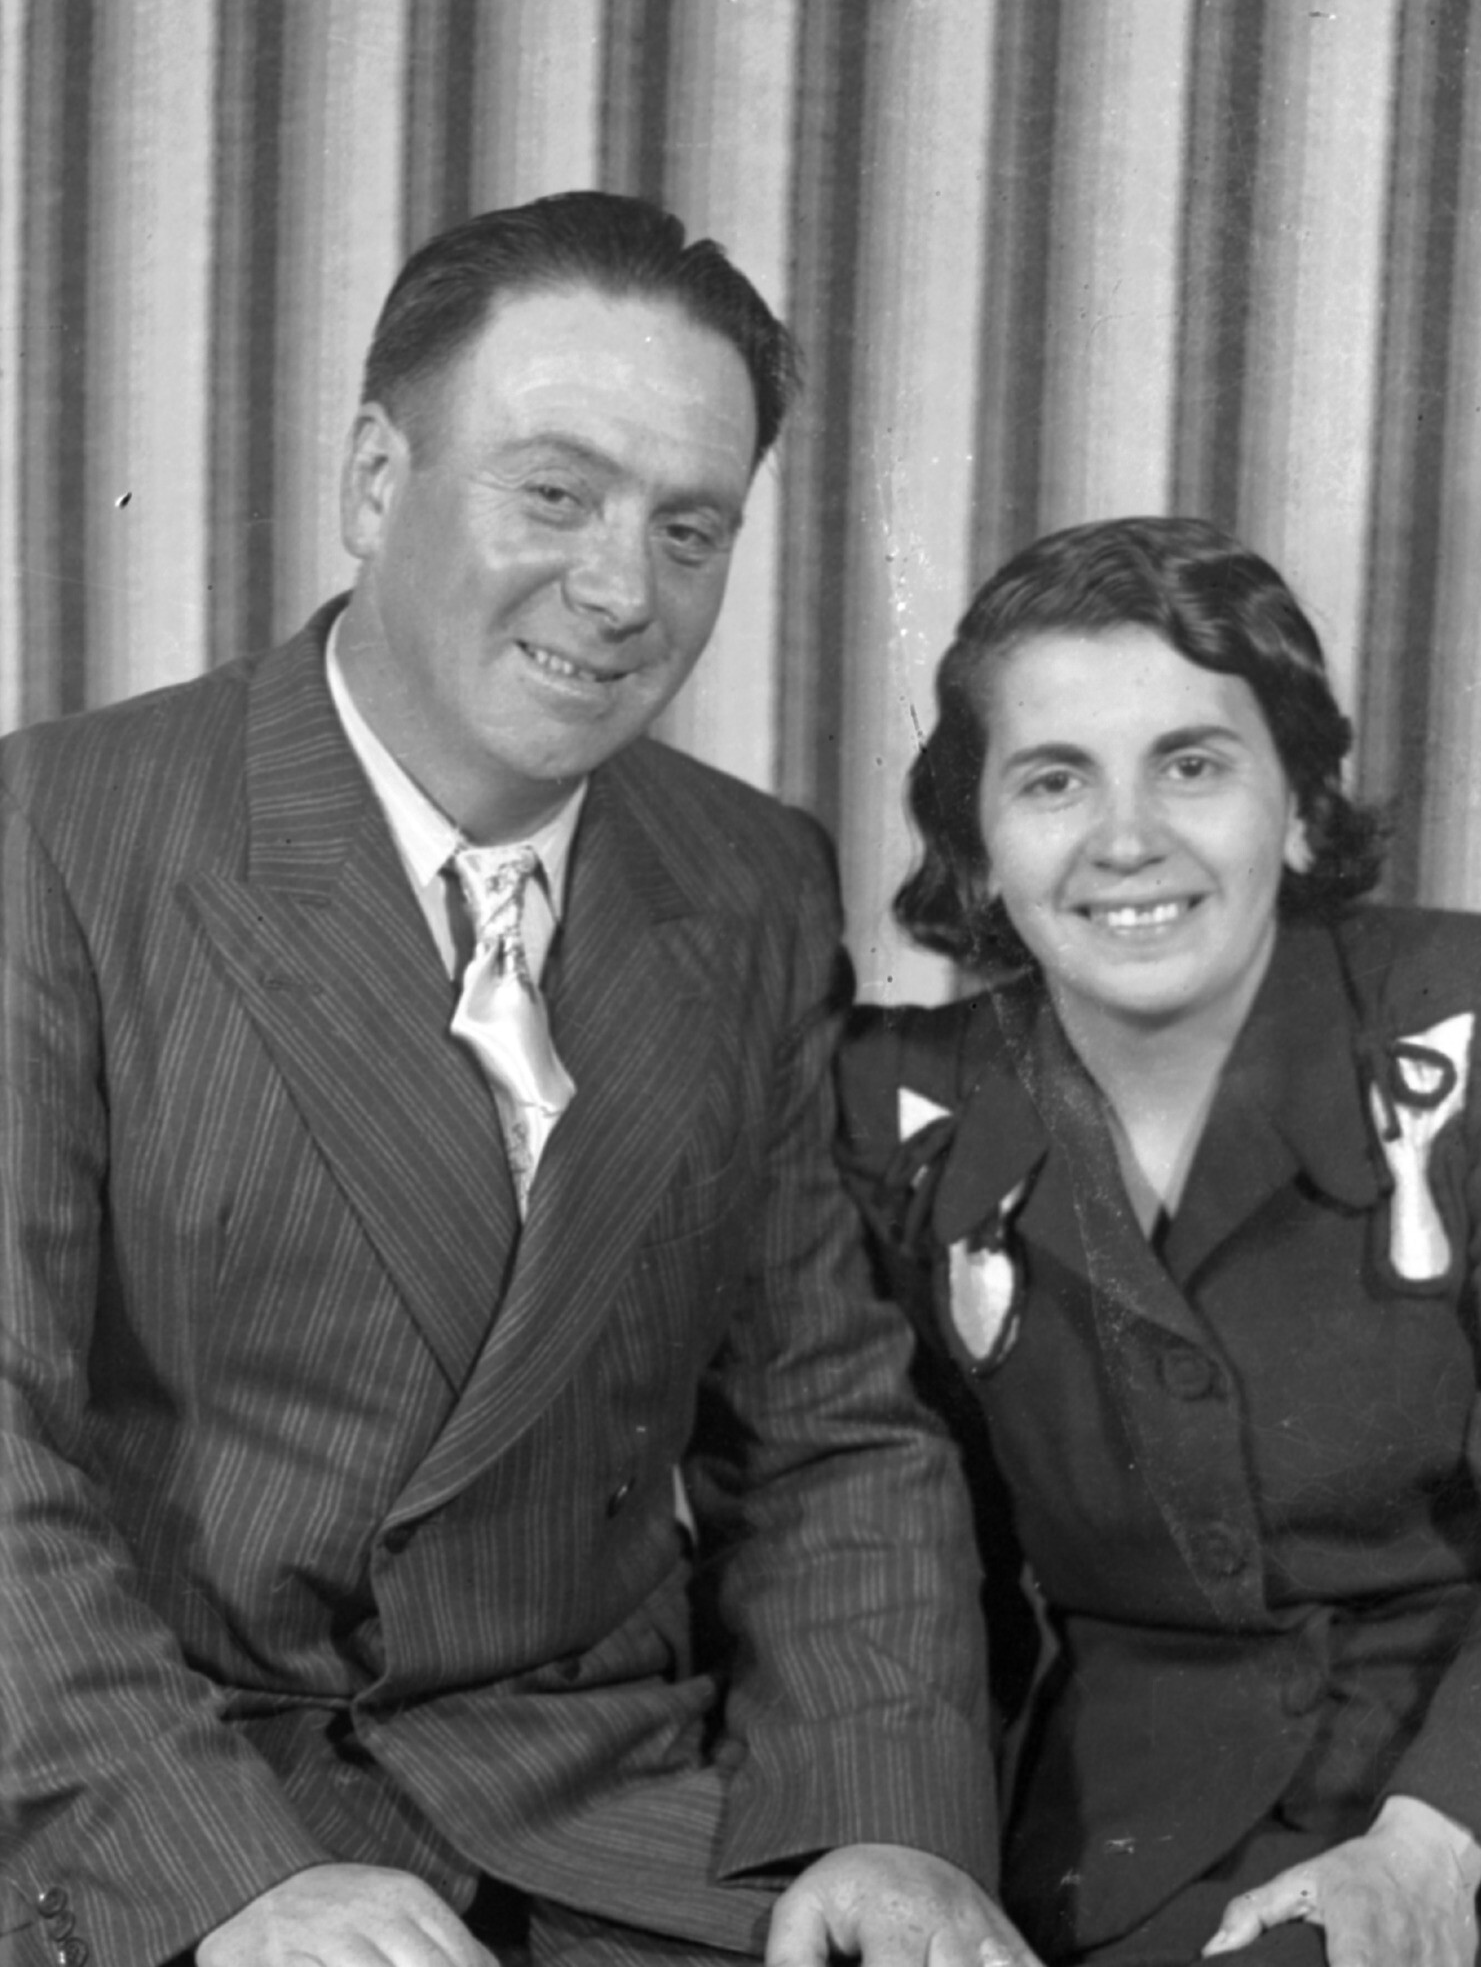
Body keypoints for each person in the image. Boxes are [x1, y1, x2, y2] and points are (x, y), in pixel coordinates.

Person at [0, 193, 1034, 1967]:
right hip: (178, 1814)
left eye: (688, 529)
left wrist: (881, 1820)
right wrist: (230, 1884)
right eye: (554, 494)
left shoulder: (747, 879)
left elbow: (827, 1421)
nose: (623, 592)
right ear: (374, 481)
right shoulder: (56, 833)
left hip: (613, 1820)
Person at [836, 517, 1481, 1967]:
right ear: (978, 848)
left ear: (1299, 803)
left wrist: (1426, 1849)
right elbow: (876, 1538)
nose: (1127, 837)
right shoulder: (899, 1103)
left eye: (1192, 765)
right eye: (1053, 780)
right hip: (1120, 1848)